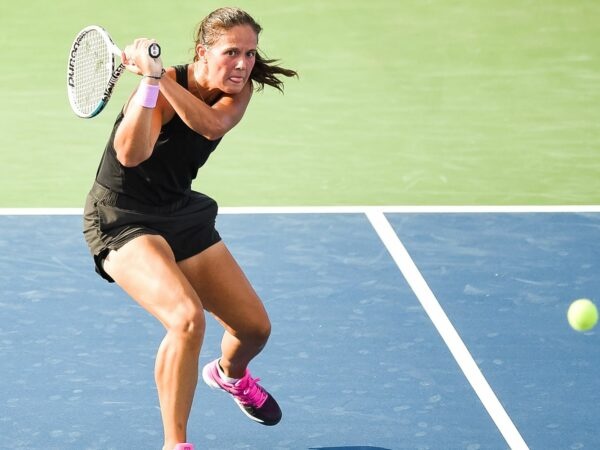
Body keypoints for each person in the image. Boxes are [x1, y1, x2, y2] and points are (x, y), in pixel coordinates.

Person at [82, 7, 297, 450]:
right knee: (185, 320)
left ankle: (229, 375)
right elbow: (131, 156)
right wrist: (152, 83)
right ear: (202, 51)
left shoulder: (235, 91)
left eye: (251, 53)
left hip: (178, 211)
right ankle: (175, 444)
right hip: (123, 215)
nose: (243, 64)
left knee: (254, 329)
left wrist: (162, 79)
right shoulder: (154, 93)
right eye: (231, 52)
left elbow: (212, 124)